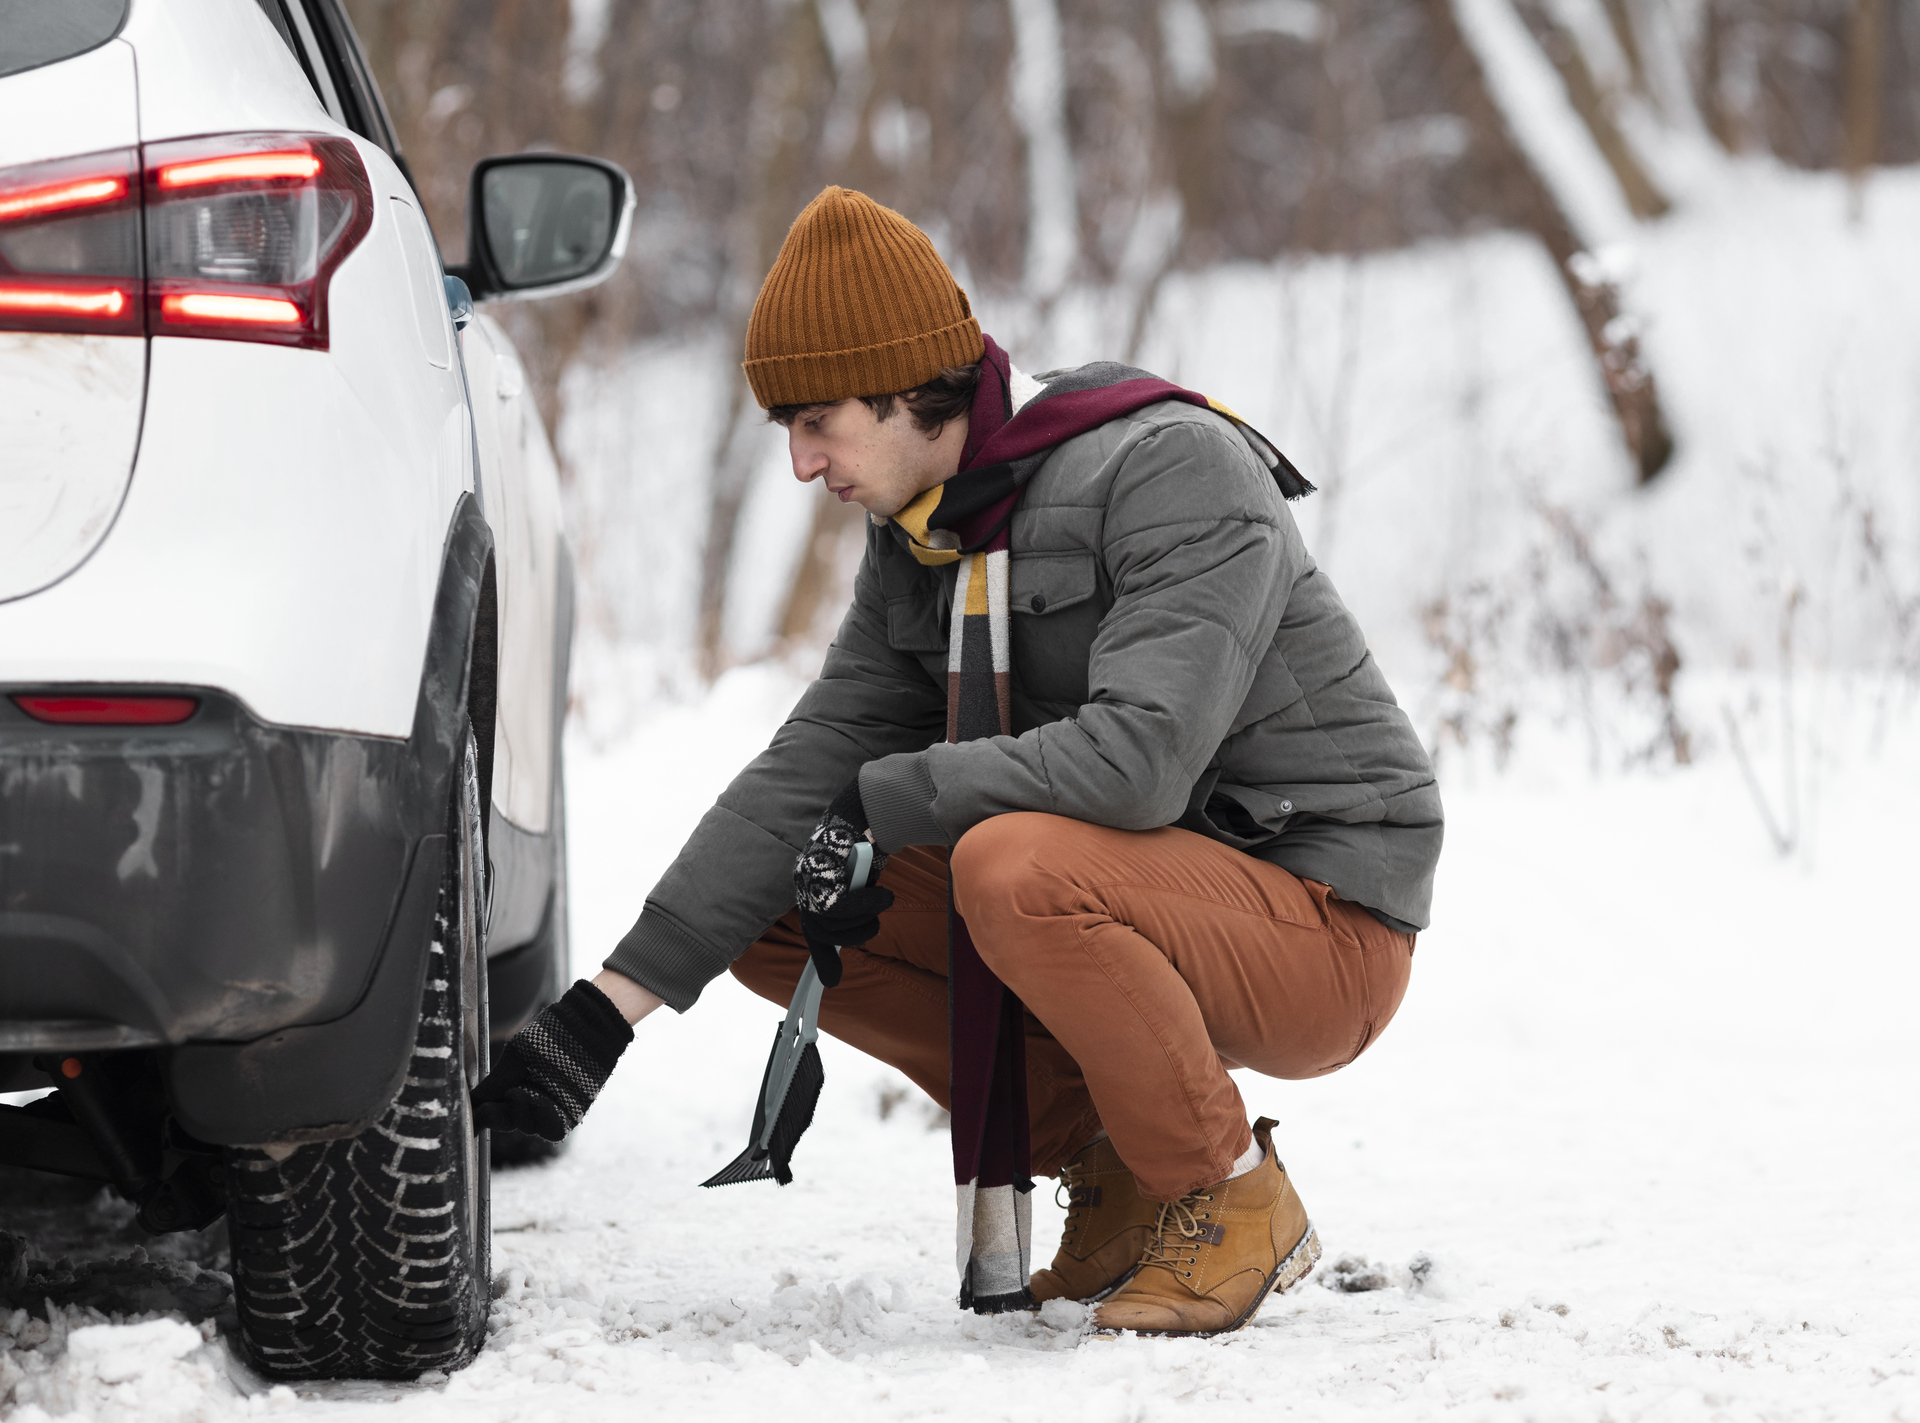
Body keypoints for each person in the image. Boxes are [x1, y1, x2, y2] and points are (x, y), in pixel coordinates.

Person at [473, 186, 1442, 1338]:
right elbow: (813, 766)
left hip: (1323, 917)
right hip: (1151, 888)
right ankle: (1117, 1170)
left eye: (817, 420)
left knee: (1011, 864)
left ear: (903, 387)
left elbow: (1139, 765)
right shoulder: (926, 537)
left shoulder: (1170, 468)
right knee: (796, 902)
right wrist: (603, 1013)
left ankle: (1227, 1193)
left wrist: (893, 796)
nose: (799, 462)